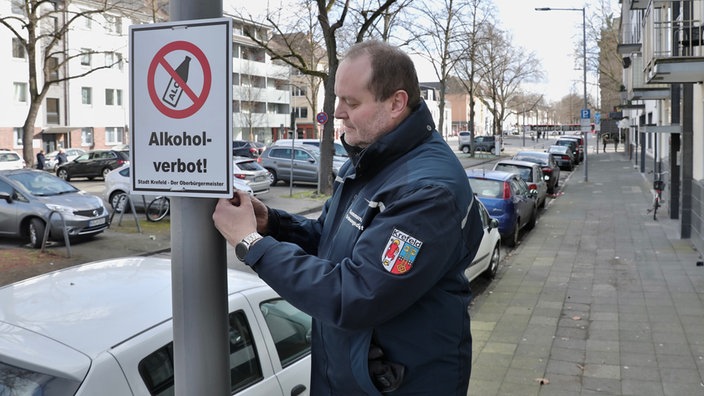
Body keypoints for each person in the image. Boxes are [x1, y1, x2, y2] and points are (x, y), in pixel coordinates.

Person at [213, 40, 483, 395]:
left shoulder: (428, 191)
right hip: (351, 377)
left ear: (396, 103)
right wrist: (272, 224)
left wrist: (252, 243)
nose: (337, 112)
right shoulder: (372, 160)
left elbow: (354, 295)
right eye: (338, 98)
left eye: (351, 102)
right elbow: (330, 240)